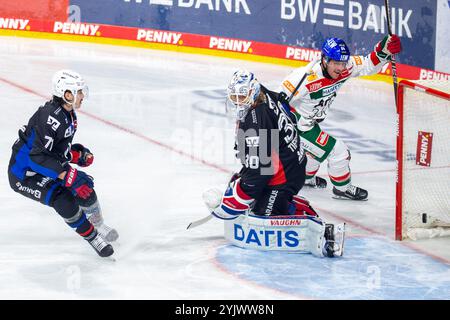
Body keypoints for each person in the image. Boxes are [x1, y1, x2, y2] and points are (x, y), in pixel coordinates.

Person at [202, 70, 344, 257]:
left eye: (242, 96)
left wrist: (231, 204)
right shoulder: (264, 93)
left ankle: (302, 211)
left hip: (285, 176)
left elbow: (259, 173)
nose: (238, 102)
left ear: (252, 93)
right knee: (250, 192)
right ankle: (279, 197)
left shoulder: (255, 123)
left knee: (263, 215)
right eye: (234, 97)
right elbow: (285, 106)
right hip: (291, 160)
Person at [8, 69, 118, 258]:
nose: (82, 95)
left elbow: (56, 151)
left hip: (44, 165)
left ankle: (98, 225)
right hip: (24, 175)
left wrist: (76, 155)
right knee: (63, 198)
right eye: (78, 92)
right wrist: (67, 175)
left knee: (85, 187)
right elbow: (37, 157)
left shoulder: (68, 115)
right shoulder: (50, 117)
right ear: (67, 94)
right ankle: (93, 237)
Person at [279, 35, 402, 200]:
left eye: (342, 63)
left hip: (310, 123)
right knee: (338, 151)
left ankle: (305, 179)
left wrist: (383, 50)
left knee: (313, 155)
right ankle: (342, 188)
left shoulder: (346, 67)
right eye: (336, 63)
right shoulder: (305, 77)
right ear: (324, 60)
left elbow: (367, 64)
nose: (340, 68)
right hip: (296, 124)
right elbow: (278, 103)